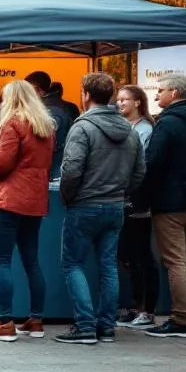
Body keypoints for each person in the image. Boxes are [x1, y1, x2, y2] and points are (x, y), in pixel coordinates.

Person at [55, 72, 145, 345]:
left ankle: (84, 325)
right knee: (108, 266)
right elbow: (140, 172)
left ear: (85, 94)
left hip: (84, 204)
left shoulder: (82, 128)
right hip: (114, 205)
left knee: (72, 263)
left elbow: (71, 169)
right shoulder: (129, 130)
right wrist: (120, 192)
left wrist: (68, 196)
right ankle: (106, 325)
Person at [0, 80, 56, 342]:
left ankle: (6, 321)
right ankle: (36, 319)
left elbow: (2, 165)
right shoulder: (46, 127)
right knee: (32, 260)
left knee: (2, 260)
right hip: (34, 200)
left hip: (9, 199)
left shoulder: (13, 124)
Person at [141, 72, 186, 339]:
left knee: (175, 261)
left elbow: (153, 163)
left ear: (174, 93)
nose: (156, 95)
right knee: (183, 257)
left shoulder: (168, 123)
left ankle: (181, 319)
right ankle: (183, 313)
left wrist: (142, 196)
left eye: (160, 90)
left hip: (170, 202)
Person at [114, 84, 158, 330]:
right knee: (126, 255)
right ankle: (132, 305)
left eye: (125, 100)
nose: (120, 104)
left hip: (138, 201)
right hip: (122, 198)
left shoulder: (144, 129)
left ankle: (146, 309)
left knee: (142, 255)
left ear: (138, 102)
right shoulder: (125, 127)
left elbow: (140, 166)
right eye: (118, 100)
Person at [25, 71, 72, 178]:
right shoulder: (53, 106)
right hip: (53, 167)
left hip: (53, 169)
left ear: (38, 90)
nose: (26, 95)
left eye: (28, 91)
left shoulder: (52, 110)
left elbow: (46, 140)